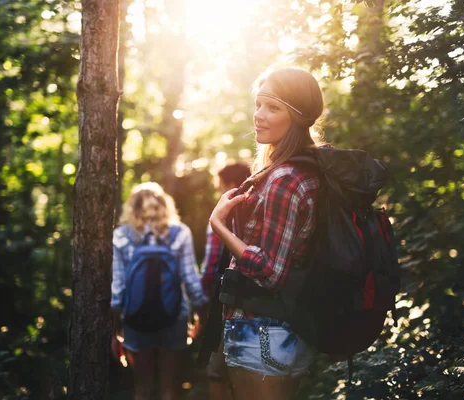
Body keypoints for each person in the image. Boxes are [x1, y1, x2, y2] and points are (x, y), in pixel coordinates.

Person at [208, 67, 325, 400]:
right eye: (259, 104)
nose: (259, 115)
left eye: (273, 108)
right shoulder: (309, 169)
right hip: (282, 331)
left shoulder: (284, 179)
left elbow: (269, 272)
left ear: (298, 118)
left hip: (261, 331)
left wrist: (218, 225)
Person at [111, 182, 208, 400]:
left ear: (131, 208)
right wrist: (200, 315)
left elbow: (117, 288)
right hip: (174, 318)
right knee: (169, 389)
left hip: (135, 320)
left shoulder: (121, 236)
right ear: (165, 206)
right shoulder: (180, 233)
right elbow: (191, 281)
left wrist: (113, 330)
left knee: (142, 389)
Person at [200, 162, 251, 400]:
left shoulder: (220, 218)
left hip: (226, 304)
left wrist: (201, 304)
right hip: (262, 306)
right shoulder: (259, 208)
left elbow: (211, 268)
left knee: (217, 373)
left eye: (220, 185)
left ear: (230, 185)